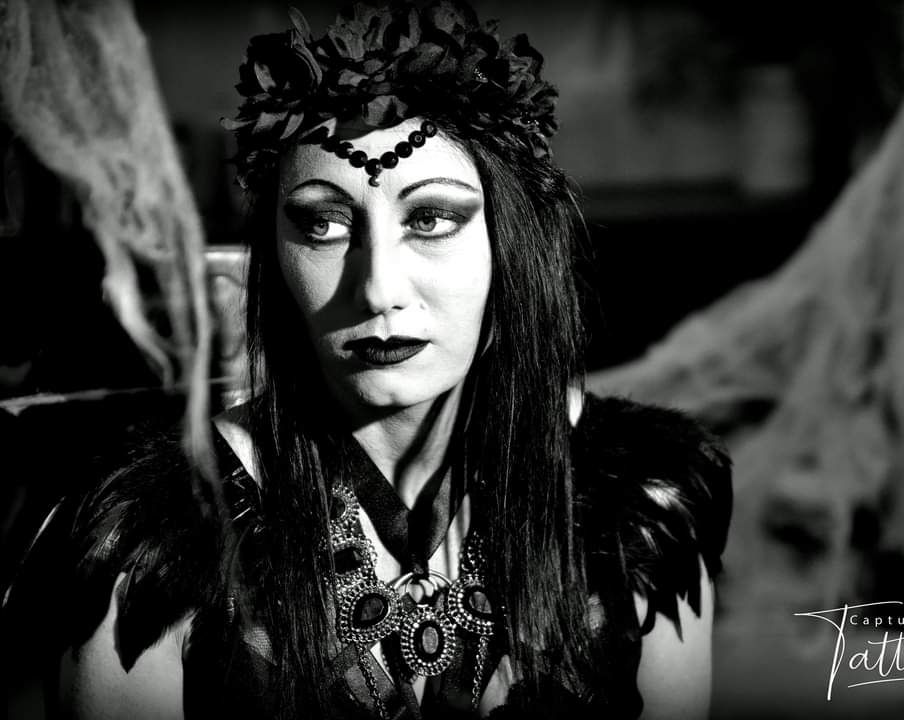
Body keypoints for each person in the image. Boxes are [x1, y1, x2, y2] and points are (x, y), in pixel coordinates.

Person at [2, 2, 732, 718]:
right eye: (323, 224)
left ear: (511, 244)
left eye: (431, 219)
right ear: (275, 257)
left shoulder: (646, 500)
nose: (378, 289)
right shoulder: (155, 534)